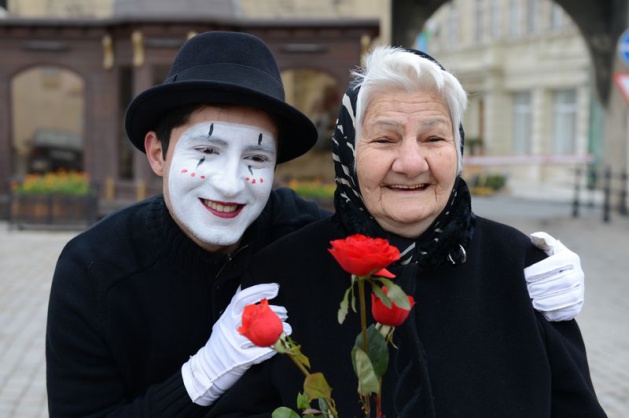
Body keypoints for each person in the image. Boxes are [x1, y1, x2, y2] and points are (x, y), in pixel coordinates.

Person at [45, 31, 586, 417]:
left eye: (255, 159)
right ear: (157, 152)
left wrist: (534, 254)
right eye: (207, 150)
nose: (231, 184)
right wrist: (203, 374)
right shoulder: (96, 272)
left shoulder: (520, 270)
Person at [210, 46, 607, 417]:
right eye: (385, 139)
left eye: (434, 137)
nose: (412, 163)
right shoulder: (283, 275)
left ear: (458, 149)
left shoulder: (522, 268)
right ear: (347, 152)